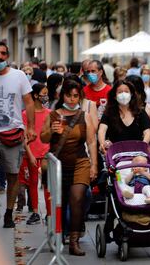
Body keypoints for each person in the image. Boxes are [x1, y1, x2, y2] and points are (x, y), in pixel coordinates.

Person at [0, 41, 37, 228]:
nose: (0, 57)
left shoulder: (19, 76)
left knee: (13, 176)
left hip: (13, 134)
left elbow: (29, 102)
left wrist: (31, 127)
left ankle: (8, 213)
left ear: (8, 55)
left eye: (3, 53)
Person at [40, 79, 97, 256]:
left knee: (77, 198)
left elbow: (91, 141)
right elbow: (43, 138)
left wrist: (94, 164)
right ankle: (59, 234)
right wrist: (52, 131)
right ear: (62, 95)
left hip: (80, 163)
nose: (72, 99)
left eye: (75, 96)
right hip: (58, 165)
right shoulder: (53, 115)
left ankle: (74, 242)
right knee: (61, 202)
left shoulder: (84, 116)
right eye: (69, 95)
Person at [19, 83, 51, 225]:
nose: (46, 96)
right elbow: (24, 136)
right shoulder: (25, 114)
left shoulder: (49, 113)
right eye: (44, 93)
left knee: (47, 184)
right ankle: (36, 212)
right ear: (36, 95)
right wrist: (30, 154)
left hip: (45, 154)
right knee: (32, 183)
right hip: (31, 153)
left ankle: (49, 214)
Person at [98, 80, 150, 154]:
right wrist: (102, 143)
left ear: (131, 94)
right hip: (116, 154)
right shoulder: (109, 113)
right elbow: (102, 130)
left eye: (126, 91)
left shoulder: (140, 112)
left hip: (138, 154)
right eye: (120, 92)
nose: (123, 94)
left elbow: (147, 132)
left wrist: (142, 146)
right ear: (114, 96)